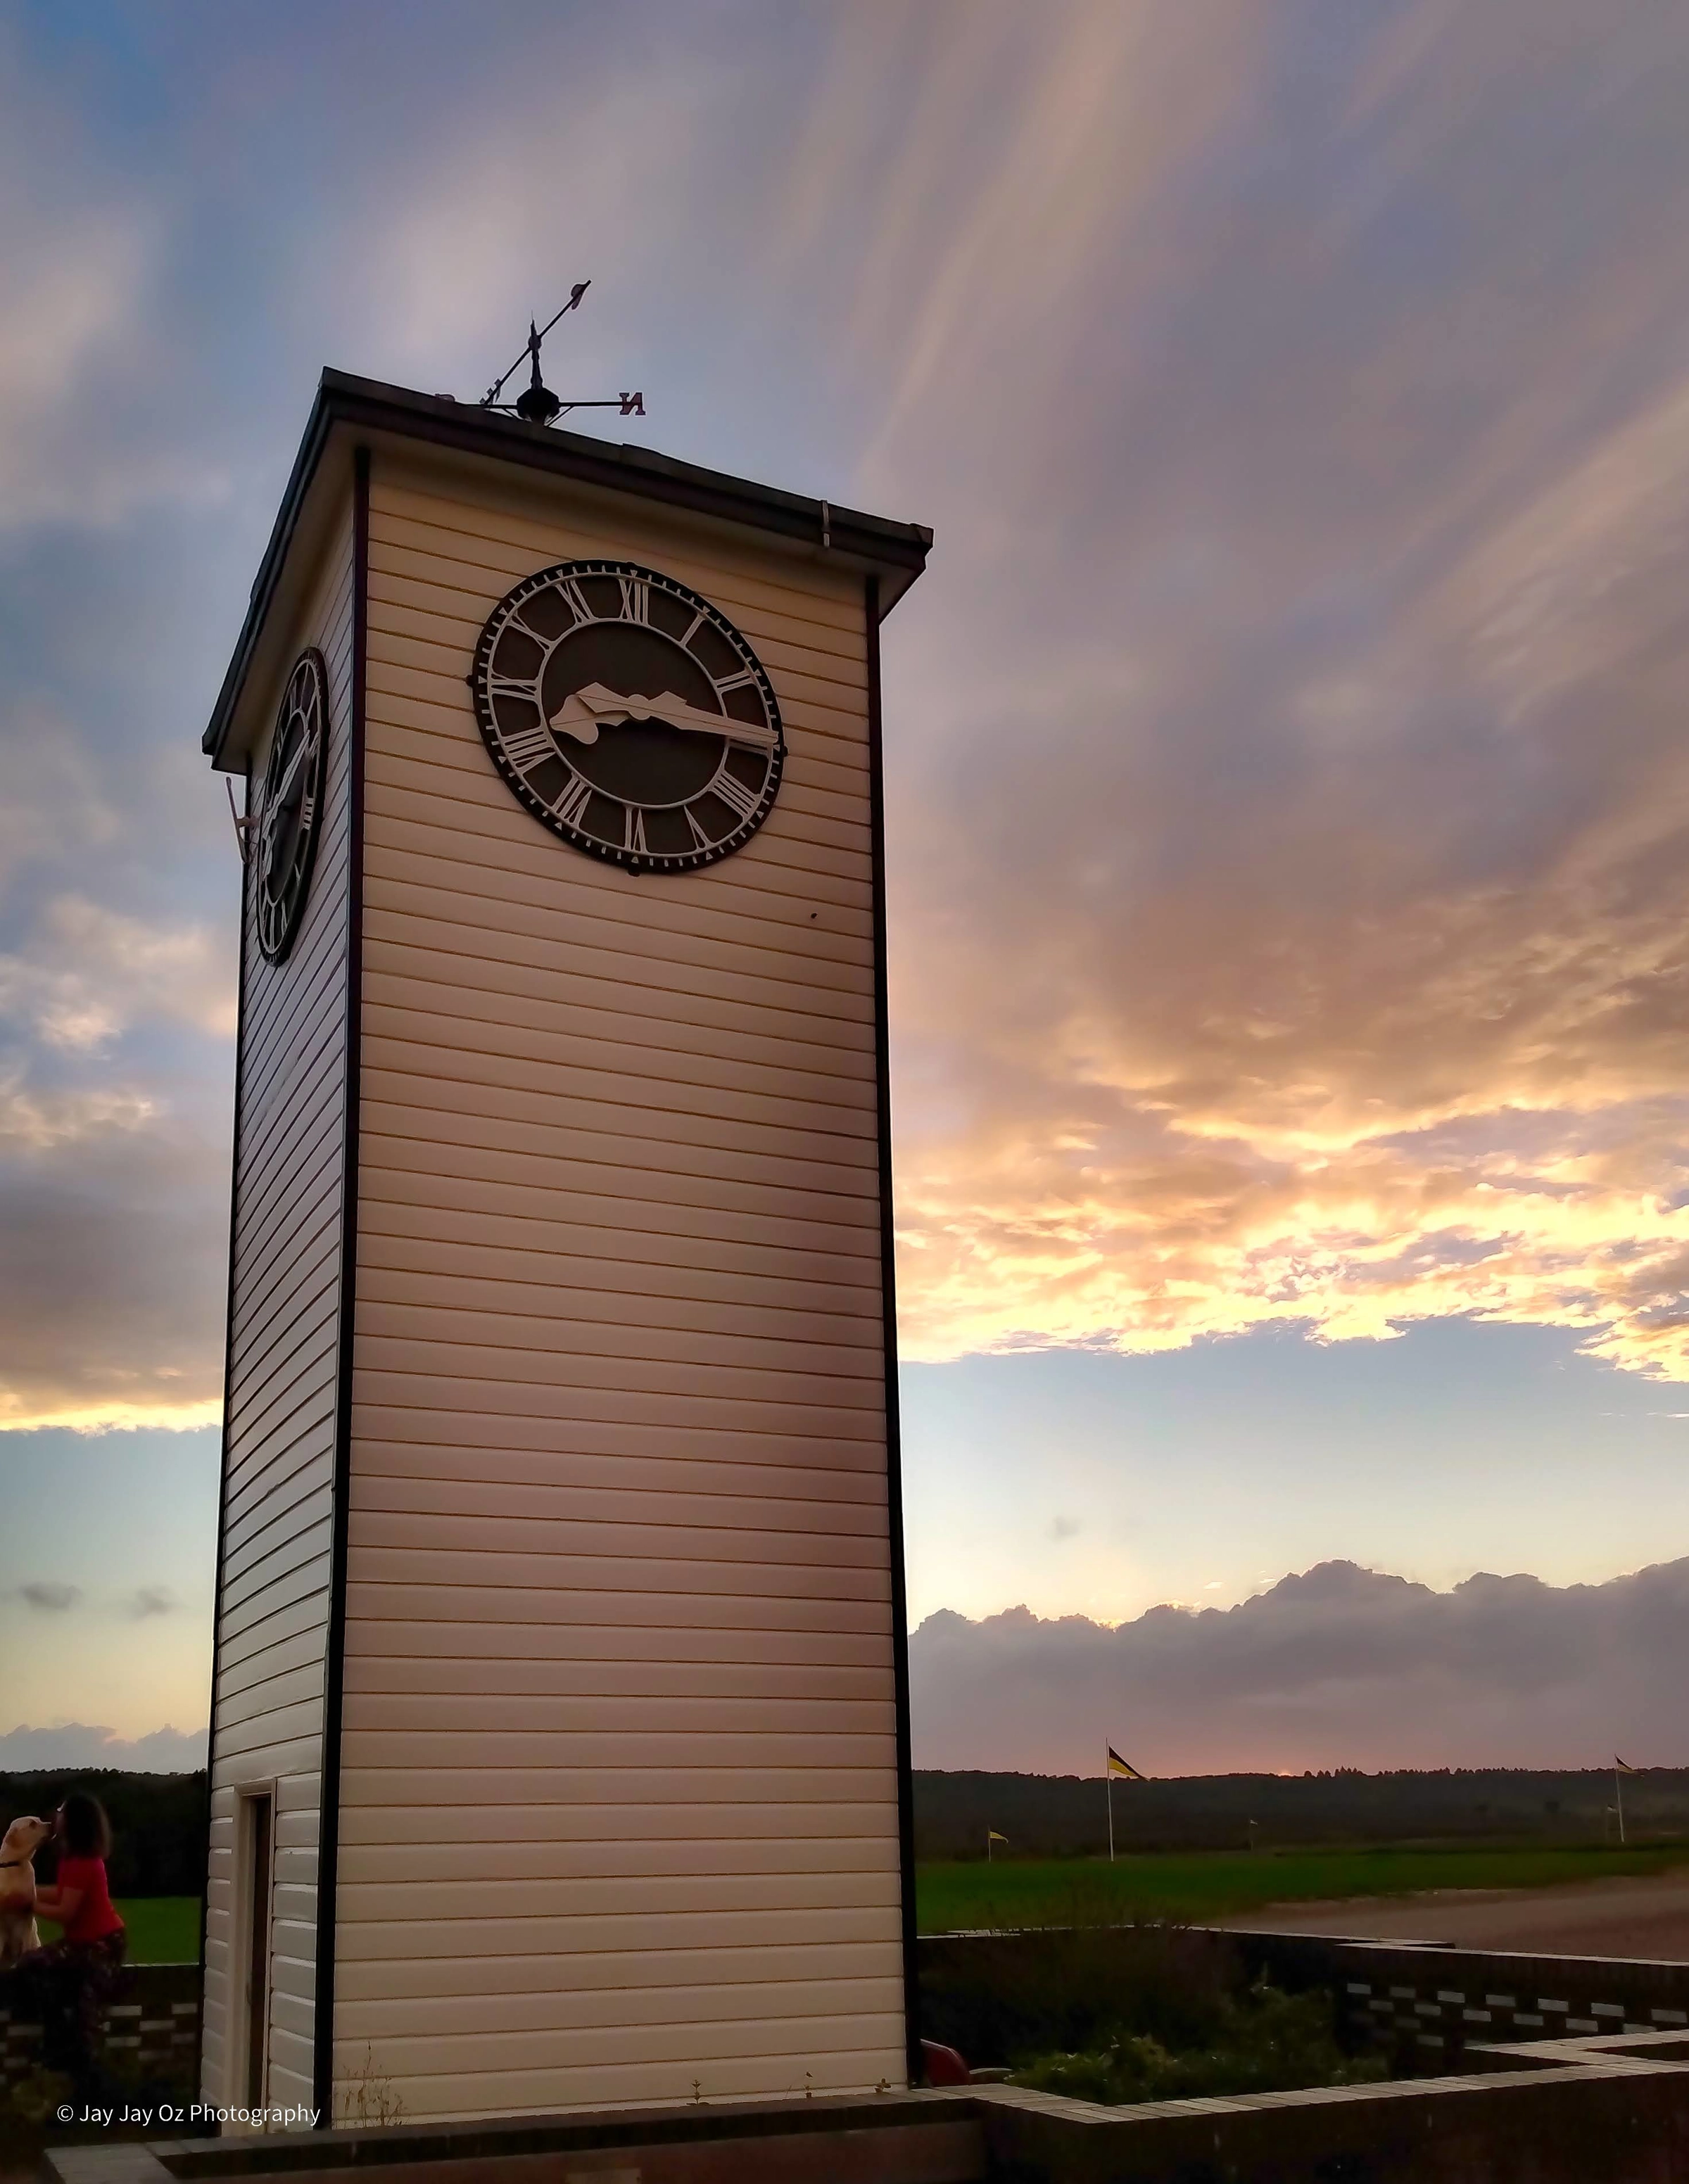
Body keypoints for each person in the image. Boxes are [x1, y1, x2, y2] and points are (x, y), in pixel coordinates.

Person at [22, 1792, 127, 2091]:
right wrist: (28, 1889)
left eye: (62, 1811)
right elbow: (61, 1893)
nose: (57, 1814)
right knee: (42, 1970)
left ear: (74, 1821)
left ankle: (71, 2060)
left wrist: (26, 1904)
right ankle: (64, 2049)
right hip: (85, 1944)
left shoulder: (85, 1863)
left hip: (101, 1945)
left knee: (38, 1968)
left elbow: (66, 1912)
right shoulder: (72, 1859)